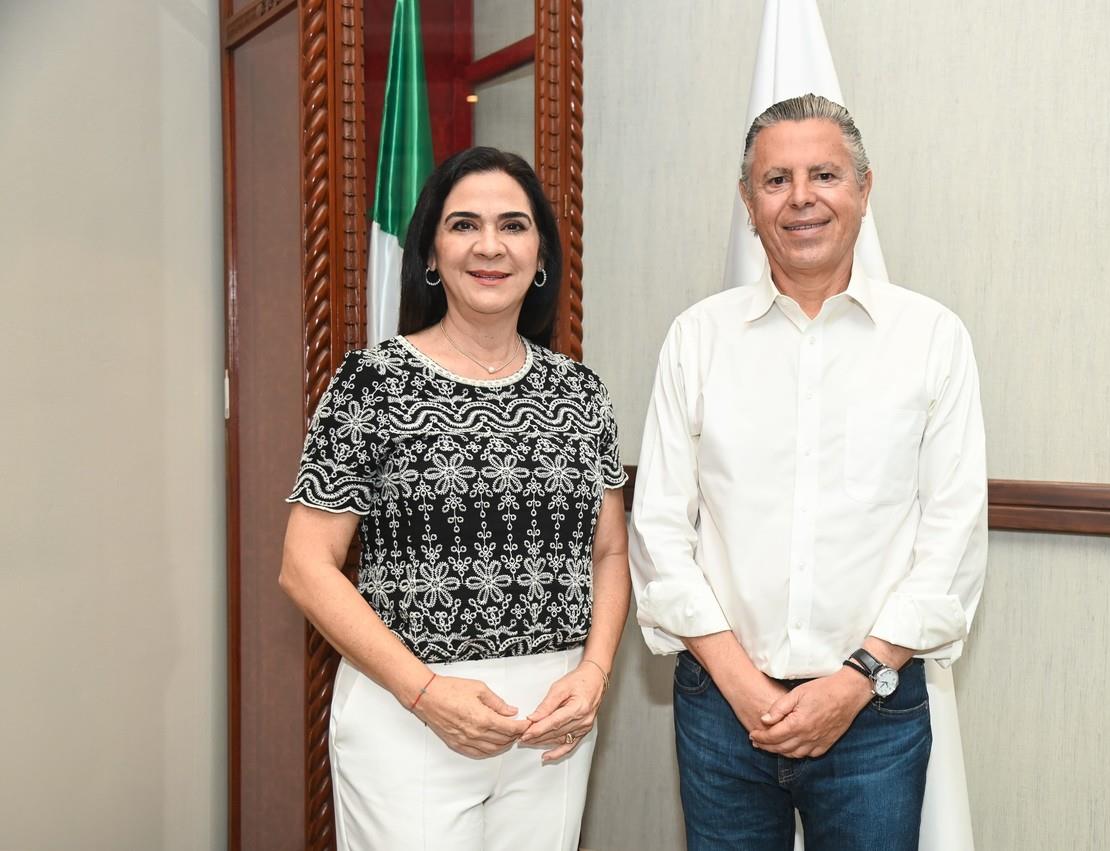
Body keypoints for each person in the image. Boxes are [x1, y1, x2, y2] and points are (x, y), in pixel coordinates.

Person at [629, 94, 987, 850]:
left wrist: (857, 679)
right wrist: (741, 683)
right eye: (775, 179)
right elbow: (659, 526)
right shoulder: (697, 339)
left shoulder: (932, 339)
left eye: (823, 174)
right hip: (721, 704)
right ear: (747, 202)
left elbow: (951, 539)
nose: (801, 198)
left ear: (863, 188)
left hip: (875, 715)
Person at [280, 146, 630, 851]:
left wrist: (594, 674)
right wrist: (426, 693)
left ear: (542, 257)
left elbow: (612, 551)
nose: (490, 246)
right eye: (465, 224)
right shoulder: (371, 383)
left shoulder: (580, 393)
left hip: (551, 723)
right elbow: (305, 565)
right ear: (432, 255)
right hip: (407, 715)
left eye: (514, 225)